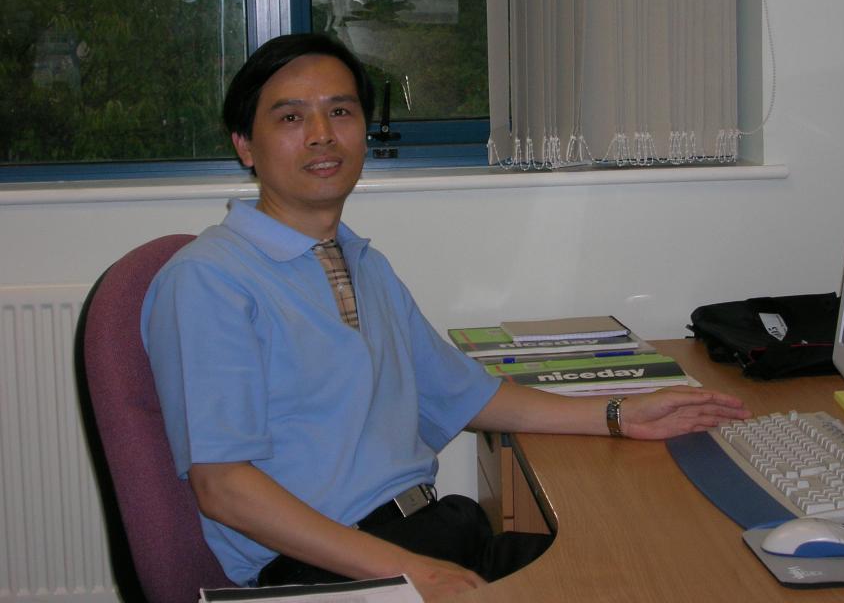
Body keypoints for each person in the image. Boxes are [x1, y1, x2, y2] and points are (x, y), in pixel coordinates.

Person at [142, 33, 751, 601]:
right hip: (330, 574)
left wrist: (620, 414)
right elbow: (223, 487)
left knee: (646, 569)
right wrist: (411, 572)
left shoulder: (359, 262)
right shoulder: (210, 280)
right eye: (291, 118)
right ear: (245, 145)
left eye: (341, 111)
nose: (322, 135)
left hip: (425, 534)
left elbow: (466, 396)